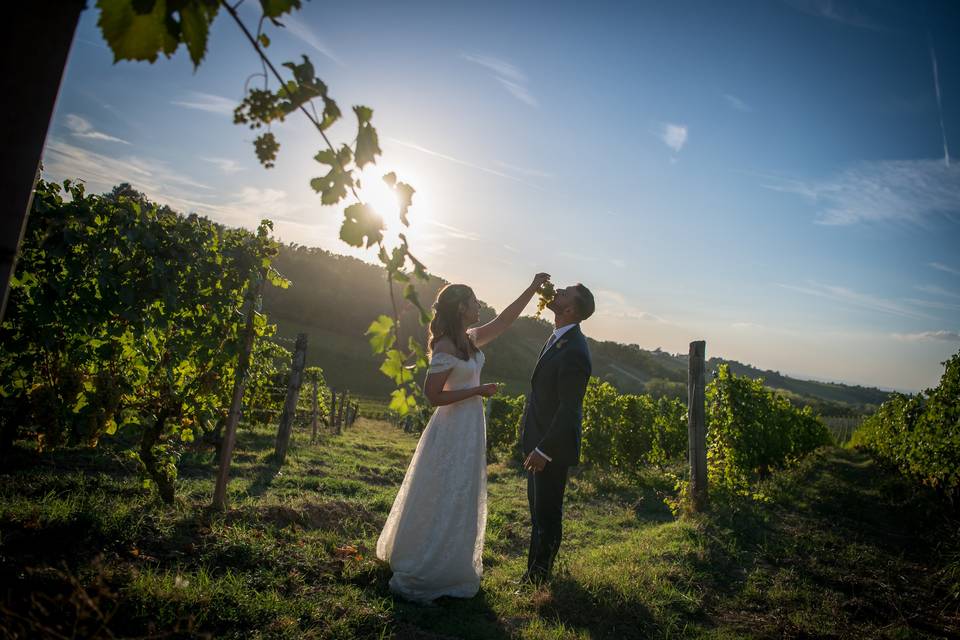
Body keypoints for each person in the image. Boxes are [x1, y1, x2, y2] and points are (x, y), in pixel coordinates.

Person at [376, 273, 552, 603]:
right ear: (460, 308)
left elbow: (504, 321)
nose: (478, 307)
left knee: (463, 491)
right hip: (450, 428)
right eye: (473, 303)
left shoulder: (470, 339)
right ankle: (425, 559)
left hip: (470, 427)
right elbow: (433, 395)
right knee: (443, 488)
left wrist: (530, 289)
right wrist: (478, 391)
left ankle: (453, 560)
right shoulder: (445, 346)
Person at [519, 283, 594, 584]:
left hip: (550, 449)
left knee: (547, 516)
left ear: (571, 309)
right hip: (538, 443)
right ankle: (534, 575)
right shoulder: (558, 338)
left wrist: (544, 449)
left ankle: (538, 581)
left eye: (564, 292)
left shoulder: (575, 350)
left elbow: (569, 408)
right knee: (538, 515)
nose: (558, 290)